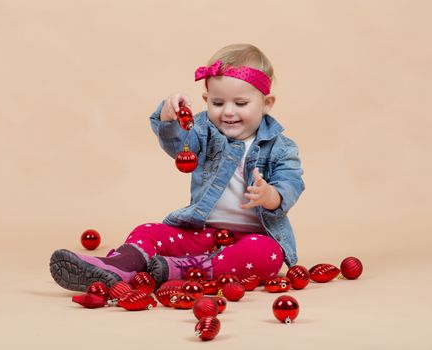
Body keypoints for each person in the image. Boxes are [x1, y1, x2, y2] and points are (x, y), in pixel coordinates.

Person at [50, 43, 305, 291]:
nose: (228, 112)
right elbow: (179, 145)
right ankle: (119, 266)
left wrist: (271, 195)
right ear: (206, 99)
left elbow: (291, 183)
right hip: (201, 233)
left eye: (240, 103)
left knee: (267, 254)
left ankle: (179, 269)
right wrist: (169, 117)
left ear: (267, 103)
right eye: (217, 103)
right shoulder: (205, 130)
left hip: (250, 239)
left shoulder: (281, 147)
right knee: (147, 231)